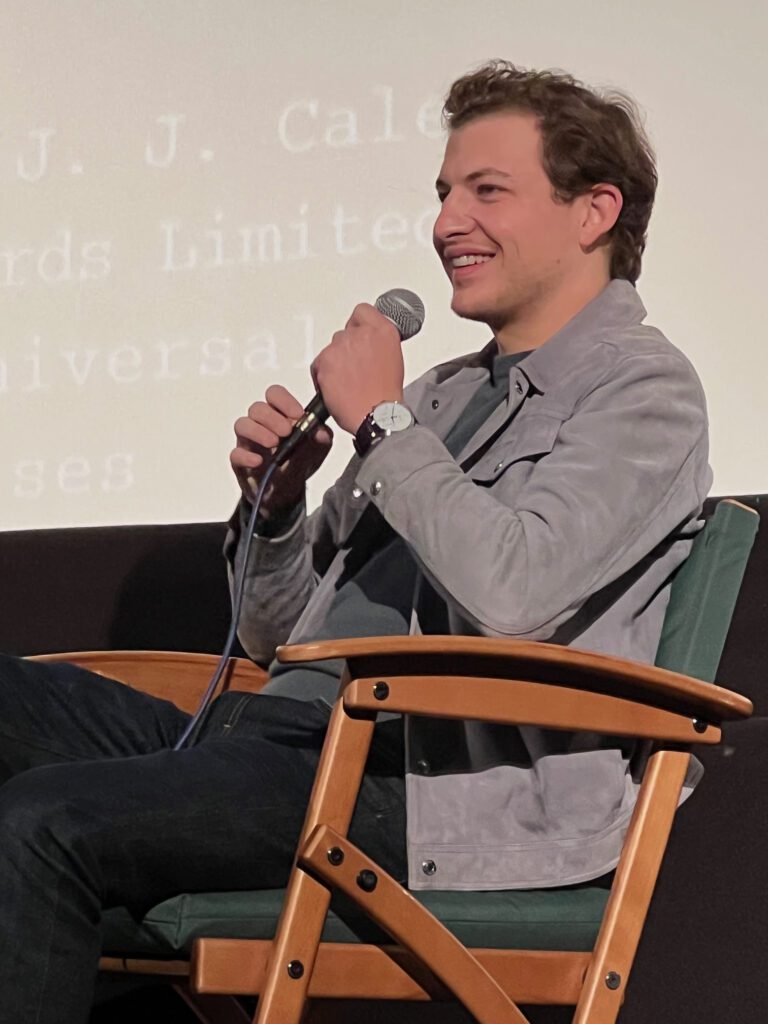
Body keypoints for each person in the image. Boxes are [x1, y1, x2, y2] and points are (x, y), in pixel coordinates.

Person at [0, 62, 709, 1023]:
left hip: (413, 781)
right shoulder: (444, 396)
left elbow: (516, 597)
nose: (446, 222)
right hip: (269, 740)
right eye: (444, 193)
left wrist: (381, 422)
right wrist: (279, 508)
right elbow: (275, 634)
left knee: (45, 820)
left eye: (486, 191)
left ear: (595, 211)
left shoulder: (644, 392)